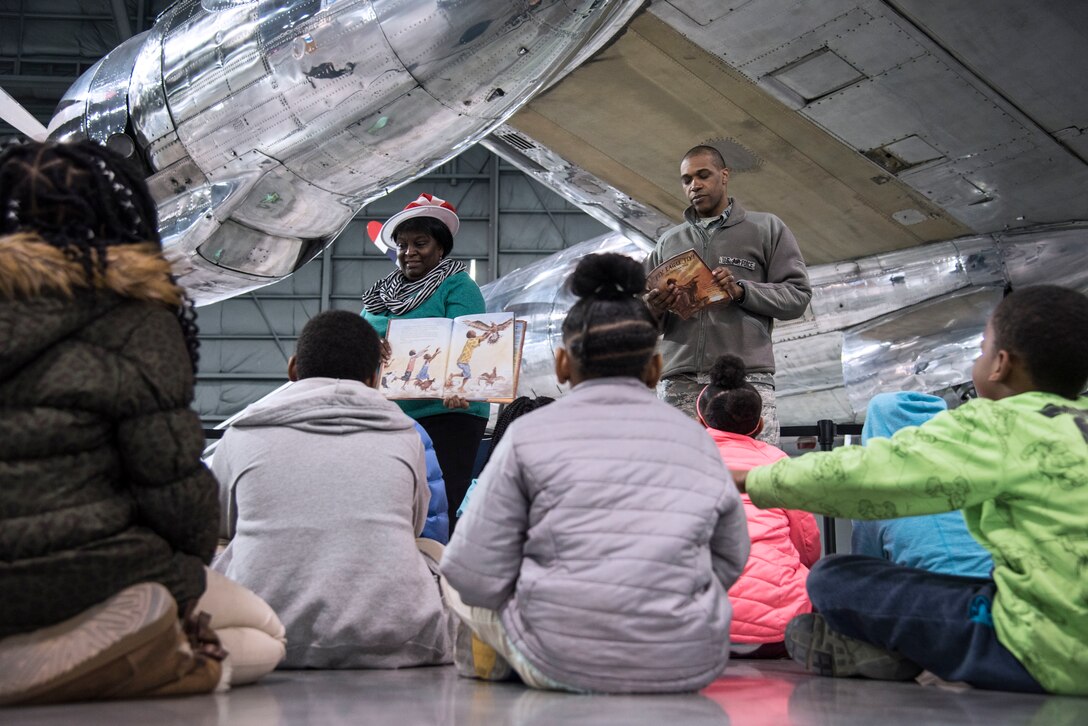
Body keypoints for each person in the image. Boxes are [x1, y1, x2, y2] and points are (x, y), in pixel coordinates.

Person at [0, 140, 282, 704]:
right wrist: (183, 569)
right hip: (95, 570)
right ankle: (103, 656)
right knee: (265, 635)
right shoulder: (136, 319)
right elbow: (173, 490)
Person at [732, 285, 1088, 695]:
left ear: (1001, 365)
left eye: (982, 350)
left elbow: (869, 475)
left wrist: (749, 479)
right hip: (1048, 610)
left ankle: (920, 652)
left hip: (1051, 650)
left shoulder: (1002, 423)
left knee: (833, 578)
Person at [441, 253, 750, 693]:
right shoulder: (696, 441)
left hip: (560, 661)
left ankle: (501, 656)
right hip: (687, 661)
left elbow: (471, 572)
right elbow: (731, 557)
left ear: (562, 364)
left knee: (451, 579)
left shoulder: (527, 436)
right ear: (655, 369)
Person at [211, 310, 454, 668]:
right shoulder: (405, 435)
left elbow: (220, 526)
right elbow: (414, 527)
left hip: (265, 635)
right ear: (374, 378)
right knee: (429, 549)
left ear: (293, 369)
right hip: (399, 639)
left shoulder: (242, 433)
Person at [647, 145, 811, 445]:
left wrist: (742, 291)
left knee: (753, 469)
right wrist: (655, 308)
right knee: (680, 471)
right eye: (687, 180)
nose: (694, 185)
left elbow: (797, 297)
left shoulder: (767, 228)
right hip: (680, 383)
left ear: (724, 176)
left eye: (703, 175)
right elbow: (643, 323)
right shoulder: (667, 243)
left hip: (746, 379)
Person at [362, 193, 488, 531]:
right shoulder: (380, 295)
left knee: (439, 504)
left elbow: (471, 342)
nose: (409, 252)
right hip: (392, 414)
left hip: (448, 412)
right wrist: (368, 344)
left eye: (420, 243)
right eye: (402, 245)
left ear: (440, 248)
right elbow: (356, 337)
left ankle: (437, 561)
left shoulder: (458, 286)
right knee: (393, 506)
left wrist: (462, 387)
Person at [696, 355, 821, 658]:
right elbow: (807, 543)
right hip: (779, 633)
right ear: (759, 425)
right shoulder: (776, 461)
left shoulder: (685, 459)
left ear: (700, 421)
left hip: (698, 631)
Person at [851, 392, 993, 578]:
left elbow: (865, 571)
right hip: (1003, 586)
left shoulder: (875, 498)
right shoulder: (976, 475)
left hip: (936, 591)